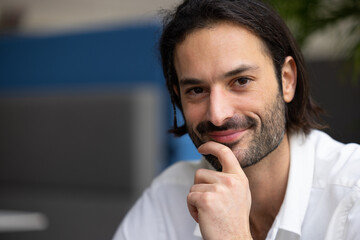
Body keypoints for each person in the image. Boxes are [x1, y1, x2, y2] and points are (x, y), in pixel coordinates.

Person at [113, 0, 360, 239]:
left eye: (241, 81)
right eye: (196, 90)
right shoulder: (169, 196)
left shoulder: (352, 192)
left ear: (287, 80)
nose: (218, 115)